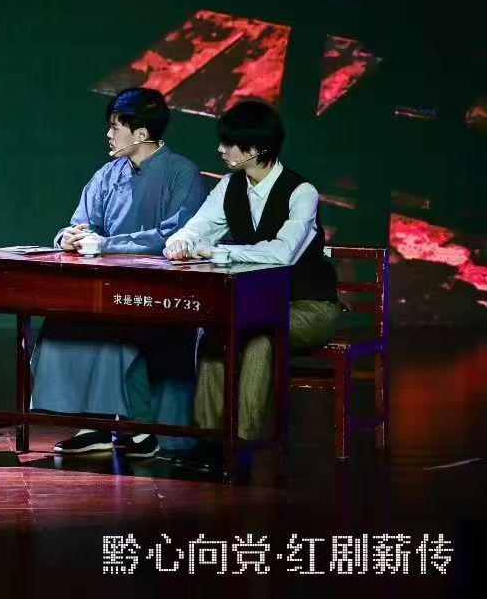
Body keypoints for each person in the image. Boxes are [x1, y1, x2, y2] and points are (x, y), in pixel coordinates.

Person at [32, 87, 207, 459]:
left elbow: (175, 235)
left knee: (117, 333)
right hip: (106, 287)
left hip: (160, 291)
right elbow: (82, 223)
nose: (109, 134)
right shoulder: (108, 174)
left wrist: (106, 244)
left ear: (141, 133)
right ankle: (94, 423)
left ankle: (139, 427)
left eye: (115, 127)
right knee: (64, 324)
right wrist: (68, 237)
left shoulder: (182, 173)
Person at [165, 98, 340, 440]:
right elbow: (197, 228)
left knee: (261, 336)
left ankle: (242, 441)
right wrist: (180, 242)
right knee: (216, 334)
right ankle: (210, 439)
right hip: (256, 305)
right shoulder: (229, 186)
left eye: (229, 143)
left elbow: (284, 253)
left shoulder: (301, 192)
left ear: (257, 148)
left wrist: (222, 252)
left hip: (309, 306)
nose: (221, 149)